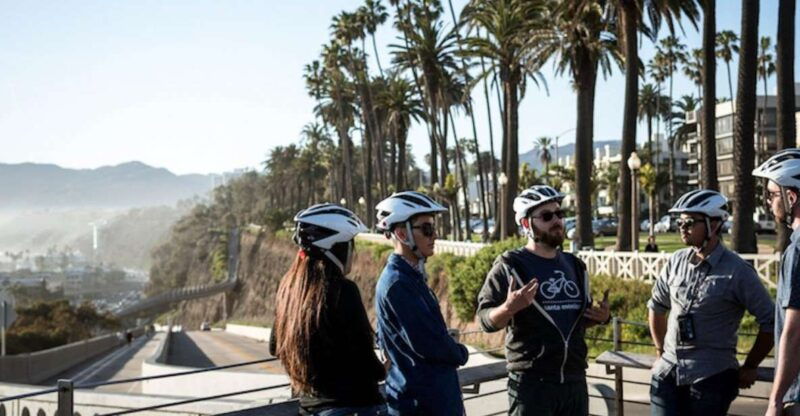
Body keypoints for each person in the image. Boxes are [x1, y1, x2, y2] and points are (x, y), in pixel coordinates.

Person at [476, 185, 610, 416]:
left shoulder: (575, 266)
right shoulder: (510, 265)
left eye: (559, 214)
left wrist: (601, 317)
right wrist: (508, 308)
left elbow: (574, 321)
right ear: (527, 224)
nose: (557, 221)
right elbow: (485, 320)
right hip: (532, 385)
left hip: (574, 381)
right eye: (547, 216)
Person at [648, 189, 775, 416]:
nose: (682, 228)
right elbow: (656, 306)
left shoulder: (738, 271)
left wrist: (751, 365)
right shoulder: (676, 261)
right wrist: (659, 353)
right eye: (680, 222)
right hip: (668, 372)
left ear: (713, 224)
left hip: (711, 378)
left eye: (688, 222)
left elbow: (771, 320)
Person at [269, 203, 386, 416]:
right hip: (354, 407)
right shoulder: (344, 290)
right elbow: (366, 362)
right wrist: (385, 366)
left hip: (310, 408)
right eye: (351, 244)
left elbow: (274, 346)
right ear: (337, 247)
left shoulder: (288, 288)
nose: (353, 252)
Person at [374, 191, 469, 416]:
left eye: (434, 228)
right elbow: (428, 343)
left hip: (428, 400)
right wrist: (459, 352)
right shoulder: (398, 284)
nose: (434, 235)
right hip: (420, 404)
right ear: (401, 233)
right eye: (426, 229)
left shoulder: (410, 277)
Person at [753, 149, 800, 416]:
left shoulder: (797, 252)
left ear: (790, 197)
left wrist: (776, 399)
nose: (769, 202)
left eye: (771, 195)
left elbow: (794, 331)